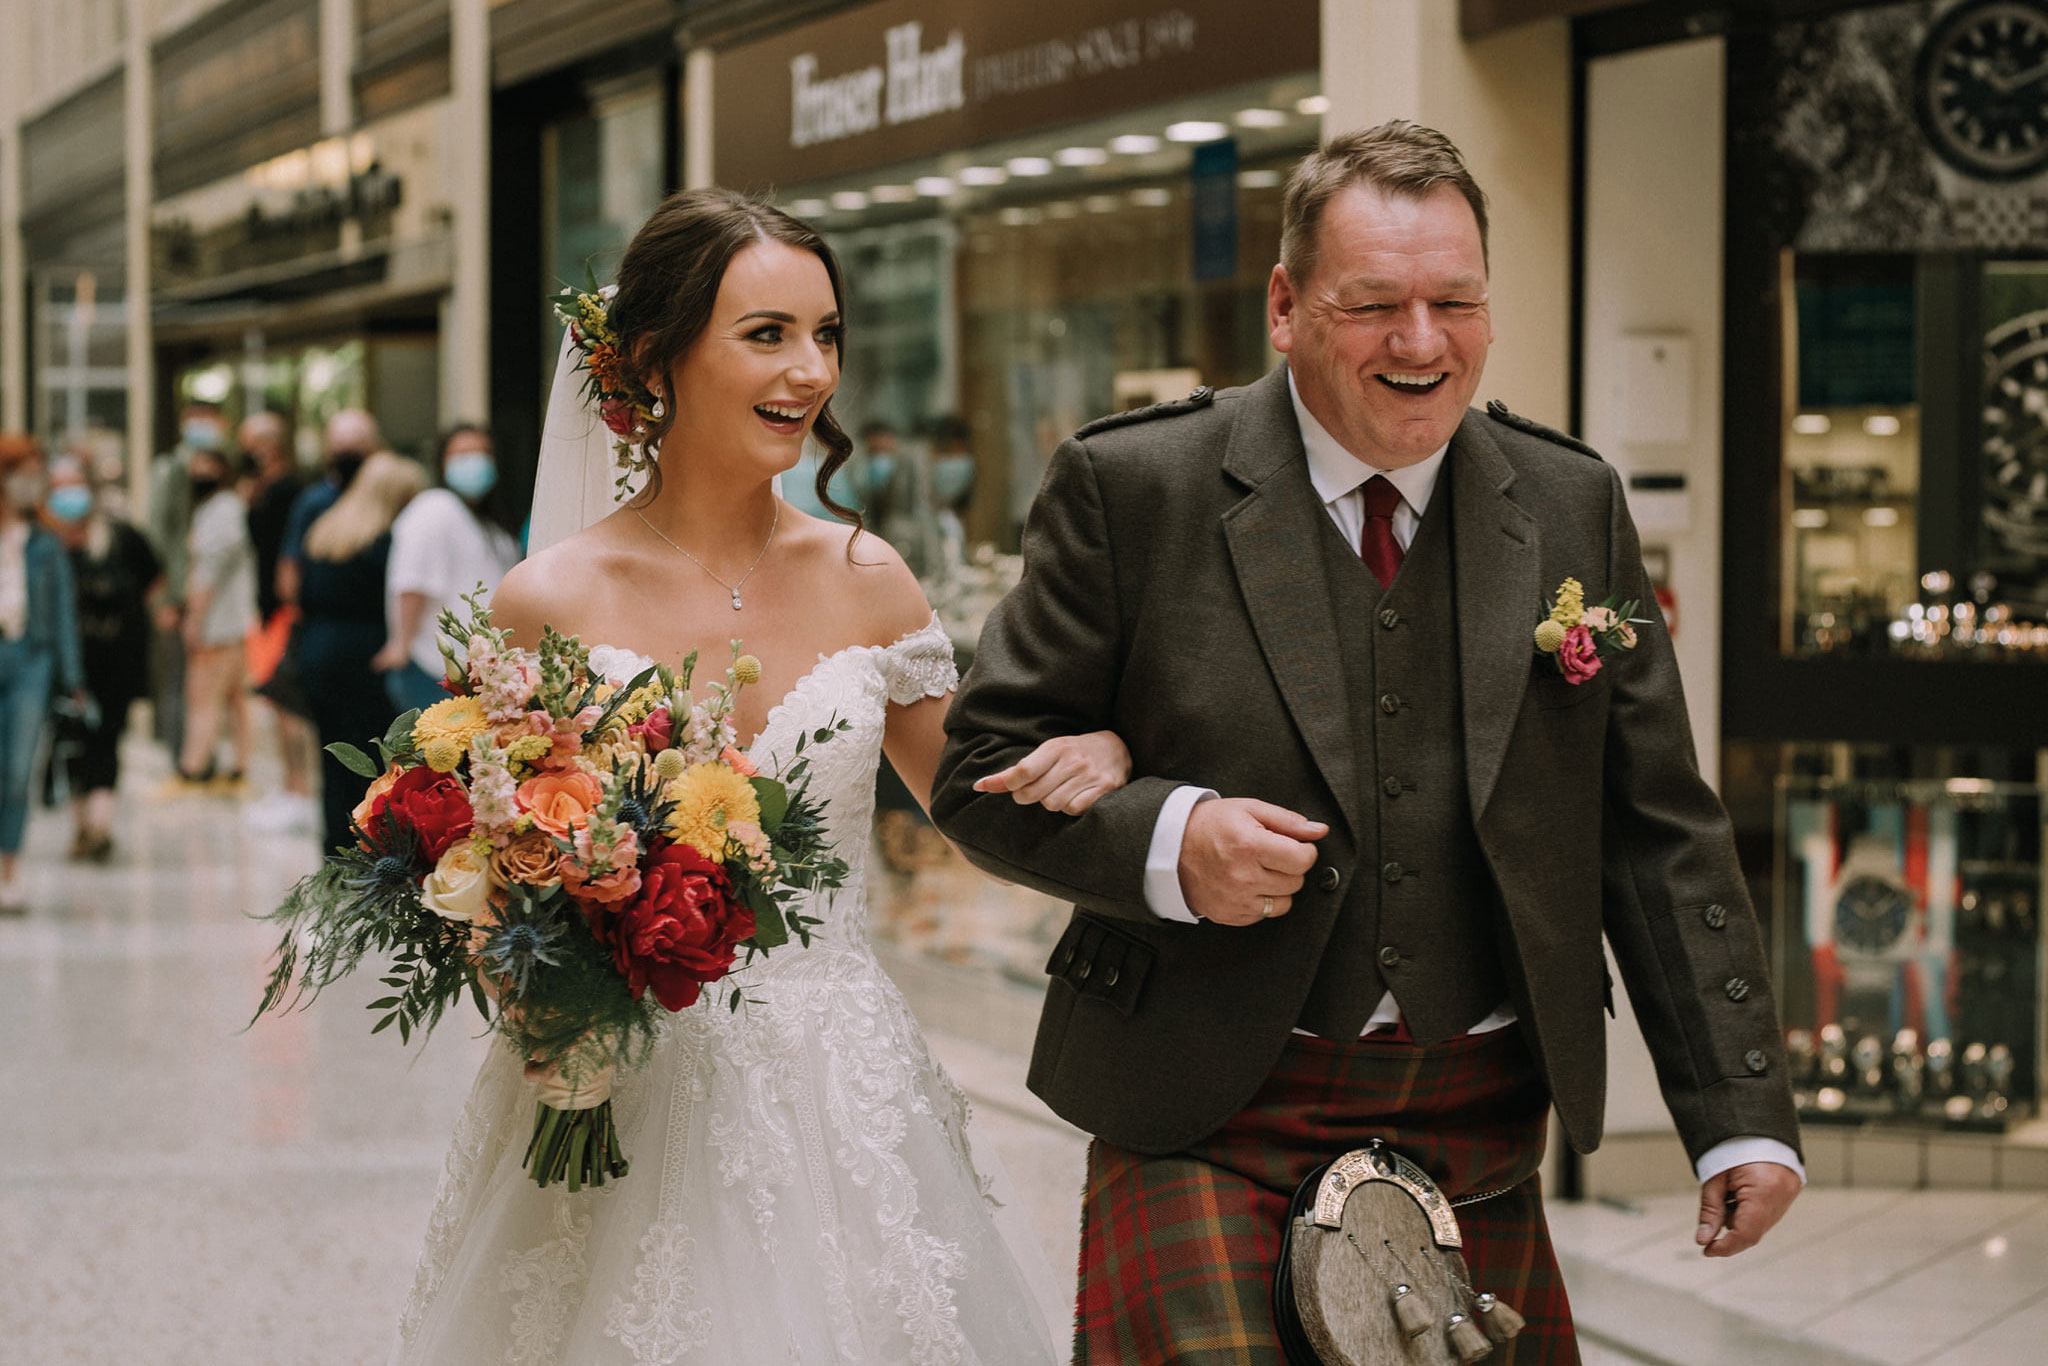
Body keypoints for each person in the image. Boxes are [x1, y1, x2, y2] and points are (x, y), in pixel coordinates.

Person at [933, 121, 1804, 1363]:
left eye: (1454, 301)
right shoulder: (1136, 488)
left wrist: (1736, 1110)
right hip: (1203, 1103)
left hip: (1477, 1110)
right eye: (1373, 304)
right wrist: (1172, 841)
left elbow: (1654, 825)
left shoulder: (1567, 501)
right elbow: (978, 772)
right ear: (1284, 307)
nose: (1420, 341)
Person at [392, 188, 1128, 1364]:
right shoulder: (548, 600)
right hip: (614, 1084)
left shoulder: (868, 578)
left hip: (838, 1093)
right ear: (655, 359)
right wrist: (545, 979)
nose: (810, 370)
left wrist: (1104, 754)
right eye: (767, 334)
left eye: (825, 333)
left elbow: (978, 801)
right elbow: (482, 859)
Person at [295, 450, 423, 853]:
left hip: (318, 650)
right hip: (365, 656)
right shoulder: (386, 540)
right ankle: (367, 851)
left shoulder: (326, 529)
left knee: (333, 760)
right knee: (370, 764)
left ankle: (334, 850)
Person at [44, 452, 162, 860]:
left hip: (116, 661)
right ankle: (81, 827)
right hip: (64, 664)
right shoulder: (45, 545)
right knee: (69, 741)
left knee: (107, 740)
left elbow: (154, 580)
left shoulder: (121, 537)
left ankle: (99, 827)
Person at [371, 424, 521, 713]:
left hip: (478, 675)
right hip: (434, 670)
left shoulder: (491, 525)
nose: (475, 462)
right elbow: (413, 581)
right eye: (463, 454)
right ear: (442, 462)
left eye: (483, 453)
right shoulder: (435, 507)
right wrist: (400, 646)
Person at [0, 435, 84, 913]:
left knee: (17, 771)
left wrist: (73, 678)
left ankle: (8, 870)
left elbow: (64, 615)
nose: (30, 484)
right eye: (22, 473)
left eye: (37, 474)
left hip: (31, 659)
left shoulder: (46, 543)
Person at [238, 411, 318, 833]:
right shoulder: (262, 489)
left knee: (287, 702)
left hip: (285, 610)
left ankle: (299, 790)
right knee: (275, 701)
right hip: (267, 609)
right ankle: (291, 786)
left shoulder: (291, 490)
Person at [144, 399, 229, 761]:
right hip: (177, 593)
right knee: (175, 677)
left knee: (201, 678)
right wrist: (163, 597)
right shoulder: (169, 469)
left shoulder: (217, 468)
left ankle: (199, 751)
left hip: (206, 591)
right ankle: (179, 756)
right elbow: (156, 535)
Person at [177, 444, 258, 785]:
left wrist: (195, 619)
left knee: (203, 696)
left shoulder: (222, 510)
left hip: (218, 624)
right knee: (234, 698)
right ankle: (239, 764)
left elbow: (210, 571)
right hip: (232, 622)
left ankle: (193, 766)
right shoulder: (220, 509)